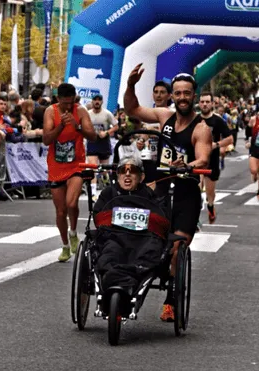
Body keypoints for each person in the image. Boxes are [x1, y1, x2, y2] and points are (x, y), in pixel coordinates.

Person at [124, 64, 212, 322]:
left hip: (186, 193)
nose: (182, 98)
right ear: (172, 96)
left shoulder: (201, 128)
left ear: (194, 95)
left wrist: (188, 165)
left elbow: (204, 159)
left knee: (176, 246)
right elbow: (133, 110)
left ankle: (171, 299)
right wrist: (130, 85)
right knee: (140, 235)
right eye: (178, 93)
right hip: (160, 190)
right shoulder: (164, 117)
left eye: (187, 93)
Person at [93, 155, 170, 295]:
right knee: (109, 253)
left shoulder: (150, 195)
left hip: (143, 239)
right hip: (114, 237)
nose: (127, 174)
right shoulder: (109, 193)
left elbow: (161, 221)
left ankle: (129, 279)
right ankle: (115, 279)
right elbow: (98, 217)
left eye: (132, 170)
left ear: (141, 177)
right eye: (123, 170)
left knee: (150, 252)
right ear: (118, 175)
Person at [43, 83, 97, 262]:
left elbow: (92, 136)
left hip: (76, 165)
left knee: (72, 204)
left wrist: (77, 127)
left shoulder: (80, 111)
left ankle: (73, 232)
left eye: (71, 102)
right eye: (65, 103)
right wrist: (60, 127)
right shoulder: (51, 112)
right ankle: (65, 245)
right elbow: (46, 139)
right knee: (60, 211)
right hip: (57, 166)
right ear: (58, 99)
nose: (68, 107)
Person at [199, 92, 233, 223]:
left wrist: (216, 145)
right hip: (197, 161)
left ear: (212, 103)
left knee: (210, 193)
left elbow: (229, 139)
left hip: (212, 161)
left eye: (207, 102)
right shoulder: (195, 120)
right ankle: (195, 217)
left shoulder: (218, 120)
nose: (205, 104)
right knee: (196, 189)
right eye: (202, 102)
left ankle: (211, 205)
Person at [86, 94, 118, 193]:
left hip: (104, 143)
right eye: (95, 100)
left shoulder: (107, 114)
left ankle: (107, 189)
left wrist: (107, 132)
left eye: (99, 100)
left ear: (102, 102)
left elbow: (116, 126)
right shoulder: (88, 114)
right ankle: (93, 193)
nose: (97, 102)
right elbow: (82, 126)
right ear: (92, 101)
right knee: (93, 168)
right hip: (92, 142)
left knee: (105, 170)